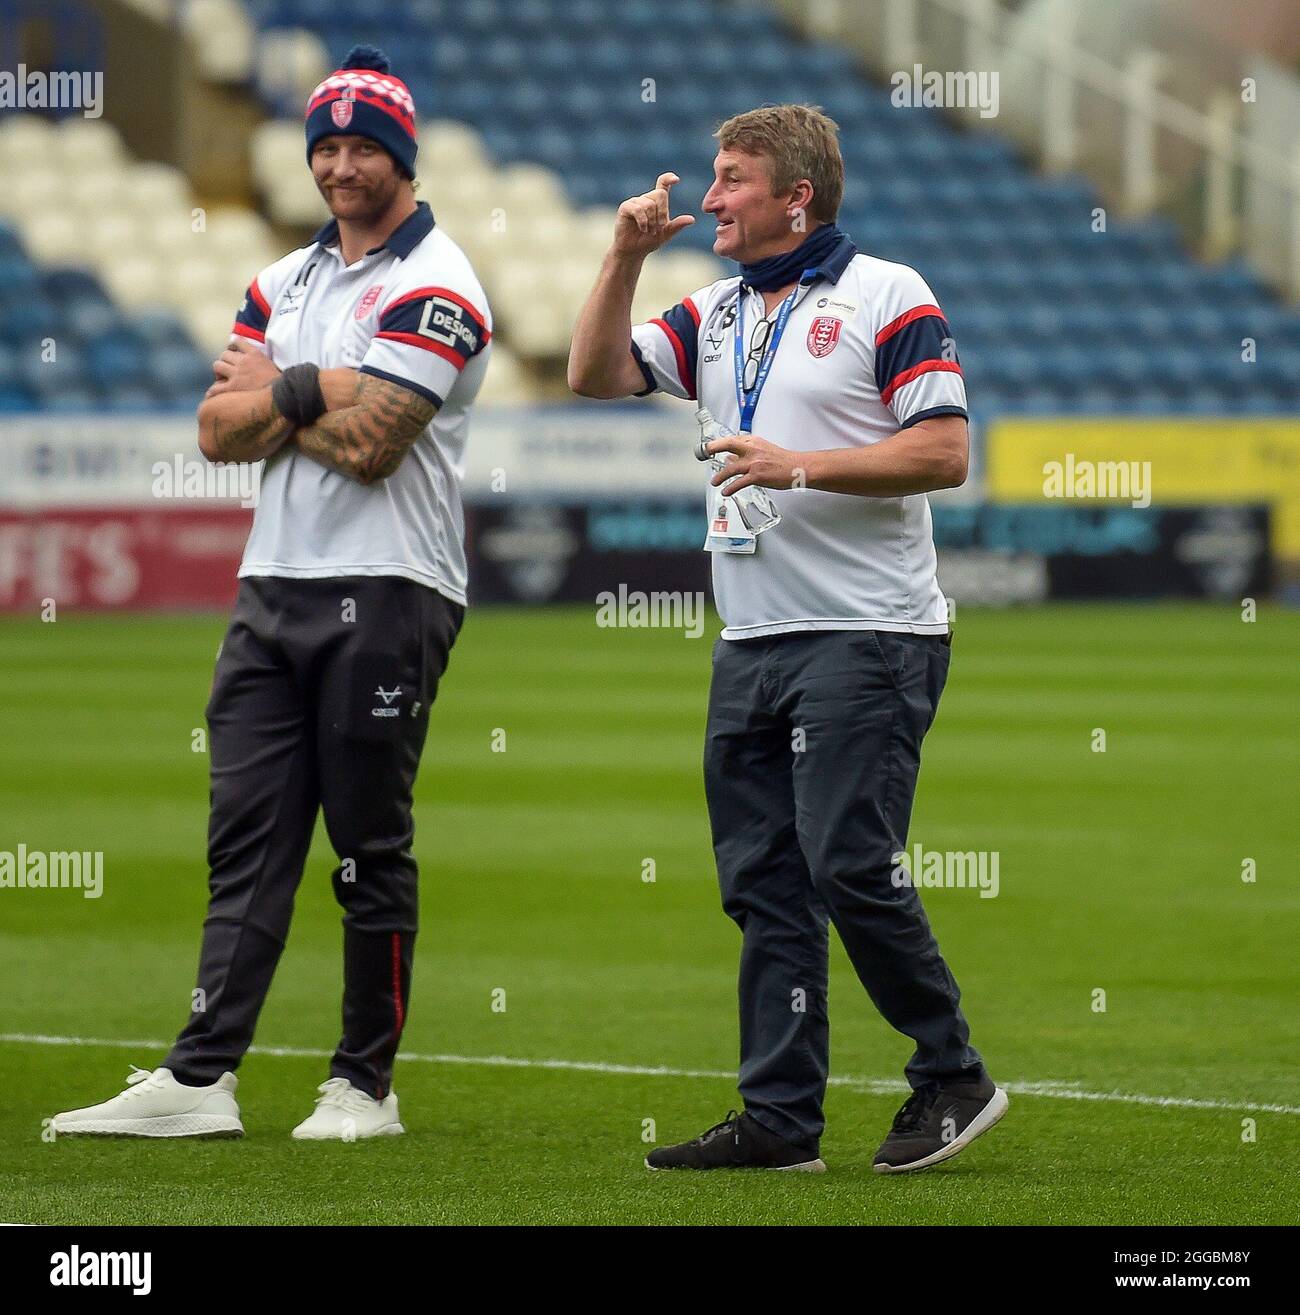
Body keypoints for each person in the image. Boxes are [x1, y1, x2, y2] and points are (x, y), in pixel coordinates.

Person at [50, 45, 492, 1141]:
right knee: (244, 840)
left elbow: (379, 445)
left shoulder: (441, 282)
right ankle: (201, 1079)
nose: (341, 166)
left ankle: (364, 1086)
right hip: (272, 586)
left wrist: (280, 391)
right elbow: (214, 431)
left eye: (363, 148)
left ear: (404, 157)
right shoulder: (280, 281)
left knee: (364, 845)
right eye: (326, 146)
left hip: (391, 586)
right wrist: (323, 388)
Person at [568, 104, 1006, 1174]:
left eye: (729, 179)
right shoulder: (712, 310)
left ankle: (951, 1071)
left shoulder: (887, 293)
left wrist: (794, 463)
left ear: (794, 195)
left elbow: (945, 451)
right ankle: (778, 1122)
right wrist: (621, 255)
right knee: (763, 883)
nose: (708, 198)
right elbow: (593, 374)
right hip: (751, 638)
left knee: (847, 861)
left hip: (868, 633)